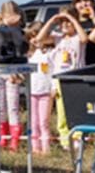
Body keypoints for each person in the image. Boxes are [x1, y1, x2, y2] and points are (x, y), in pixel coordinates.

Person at [37, 6, 87, 149]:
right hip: (59, 80)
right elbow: (39, 38)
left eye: (68, 22)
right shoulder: (57, 37)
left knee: (76, 109)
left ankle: (77, 137)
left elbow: (84, 38)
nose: (64, 25)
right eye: (62, 22)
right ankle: (65, 139)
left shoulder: (77, 38)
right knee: (62, 112)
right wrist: (52, 20)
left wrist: (71, 18)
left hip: (75, 79)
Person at [0, 1, 25, 151]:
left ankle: (14, 139)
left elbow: (20, 49)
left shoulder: (19, 32)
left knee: (12, 106)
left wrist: (13, 28)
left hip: (13, 71)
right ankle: (2, 136)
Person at [26, 22, 55, 154]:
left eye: (37, 35)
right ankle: (35, 147)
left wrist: (53, 87)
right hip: (32, 91)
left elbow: (54, 71)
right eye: (32, 36)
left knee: (44, 121)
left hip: (45, 91)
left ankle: (46, 148)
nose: (35, 39)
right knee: (33, 121)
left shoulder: (50, 53)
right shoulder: (30, 55)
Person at [73, 0, 95, 65]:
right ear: (75, 5)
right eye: (78, 1)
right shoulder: (73, 24)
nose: (83, 4)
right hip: (77, 66)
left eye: (86, 0)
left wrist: (94, 18)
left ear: (92, 2)